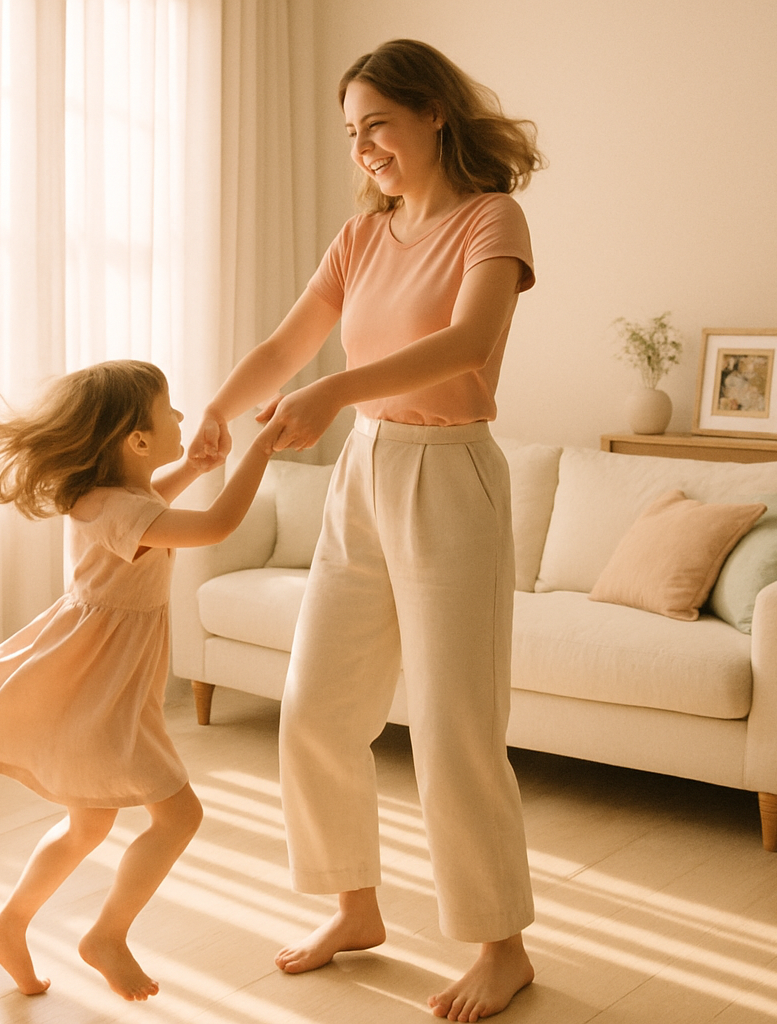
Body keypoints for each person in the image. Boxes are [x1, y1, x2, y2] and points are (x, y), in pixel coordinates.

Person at [189, 39, 543, 1023]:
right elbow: (284, 346)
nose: (364, 149)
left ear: (434, 112)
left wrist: (336, 390)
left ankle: (502, 947)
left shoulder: (491, 219)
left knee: (455, 726)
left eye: (378, 124)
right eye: (351, 133)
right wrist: (217, 413)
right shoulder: (360, 238)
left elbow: (468, 342)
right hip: (363, 470)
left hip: (450, 473)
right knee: (315, 706)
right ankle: (354, 907)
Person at [0, 360, 277, 1002]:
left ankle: (7, 926)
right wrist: (263, 448)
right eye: (170, 410)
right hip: (105, 693)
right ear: (137, 440)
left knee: (88, 824)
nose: (182, 417)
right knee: (179, 816)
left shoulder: (108, 499)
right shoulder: (116, 509)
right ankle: (107, 934)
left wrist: (193, 467)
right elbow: (214, 526)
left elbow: (149, 505)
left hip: (99, 683)